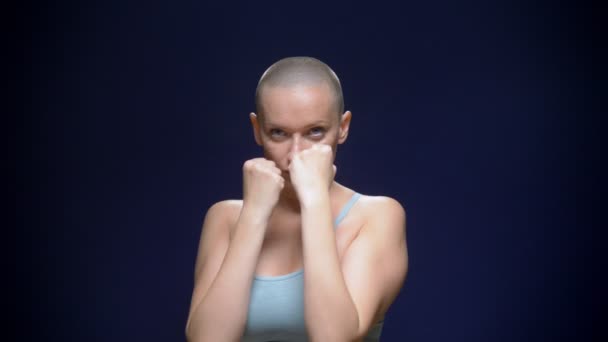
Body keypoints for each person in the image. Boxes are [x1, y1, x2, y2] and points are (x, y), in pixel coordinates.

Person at [185, 56, 408, 341]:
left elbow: (335, 337)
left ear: (343, 127)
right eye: (278, 133)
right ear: (257, 130)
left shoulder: (377, 216)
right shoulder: (226, 218)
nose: (295, 154)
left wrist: (314, 200)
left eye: (315, 132)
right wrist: (254, 215)